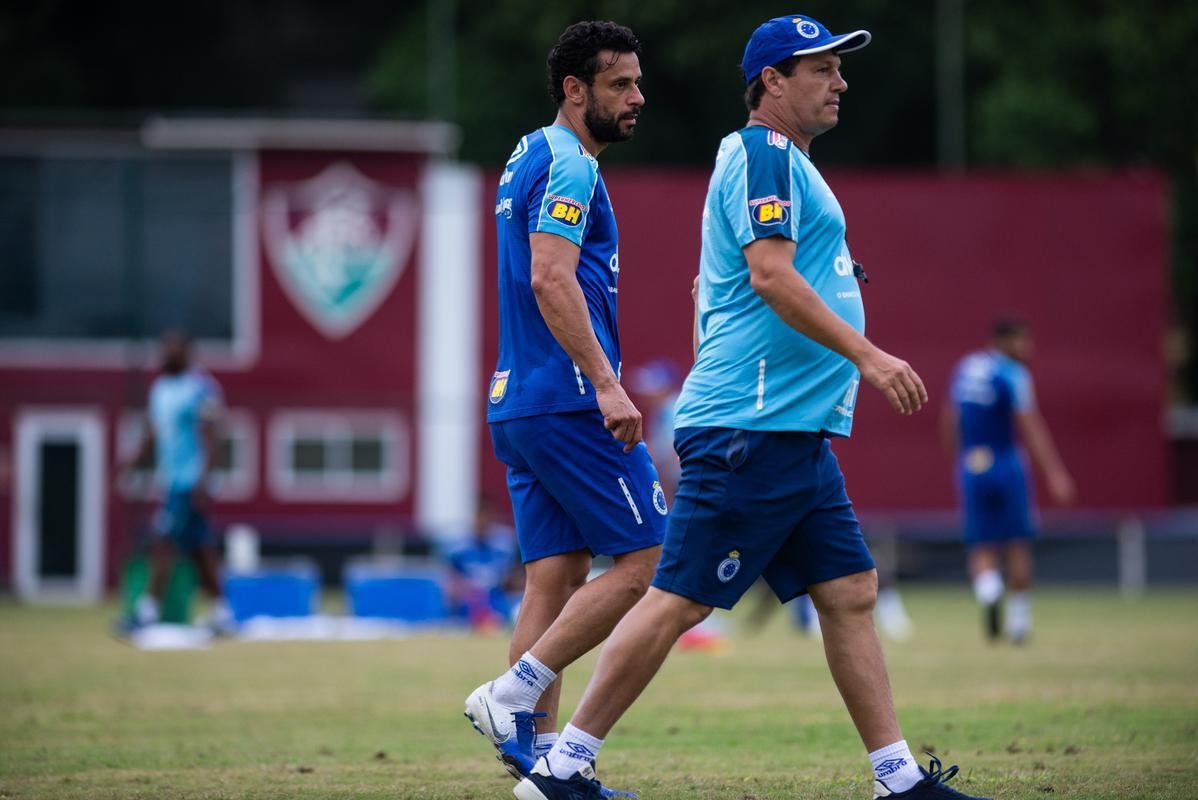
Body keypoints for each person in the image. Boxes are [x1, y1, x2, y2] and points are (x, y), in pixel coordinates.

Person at [515, 15, 990, 800]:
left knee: (850, 591)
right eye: (822, 69)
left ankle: (897, 778)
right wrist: (868, 355)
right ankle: (559, 766)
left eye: (839, 68)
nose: (840, 82)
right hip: (752, 426)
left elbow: (731, 284)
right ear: (772, 80)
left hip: (792, 430)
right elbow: (769, 274)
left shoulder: (787, 162)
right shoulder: (763, 152)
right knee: (677, 600)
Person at [463, 20, 664, 791]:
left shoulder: (526, 153)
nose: (637, 97)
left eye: (638, 82)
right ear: (575, 91)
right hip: (570, 401)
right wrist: (608, 383)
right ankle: (510, 695)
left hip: (518, 400)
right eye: (621, 84)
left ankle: (543, 768)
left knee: (555, 577)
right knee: (649, 562)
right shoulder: (572, 164)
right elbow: (550, 276)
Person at [942, 317, 1075, 643]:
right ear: (1002, 340)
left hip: (972, 464)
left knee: (980, 541)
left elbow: (950, 420)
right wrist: (1055, 473)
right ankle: (1019, 622)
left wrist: (959, 461)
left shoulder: (966, 368)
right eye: (1021, 341)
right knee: (1018, 541)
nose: (1027, 348)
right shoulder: (1013, 374)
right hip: (1006, 463)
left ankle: (989, 590)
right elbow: (1031, 425)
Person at [117, 330, 233, 633]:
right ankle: (221, 613)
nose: (167, 353)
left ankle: (147, 612)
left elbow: (212, 435)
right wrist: (129, 466)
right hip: (171, 481)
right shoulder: (159, 389)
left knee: (163, 541)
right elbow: (153, 435)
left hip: (190, 482)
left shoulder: (201, 387)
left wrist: (203, 480)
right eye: (165, 348)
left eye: (174, 348)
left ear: (187, 353)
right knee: (199, 548)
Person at [445, 499, 522, 631]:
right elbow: (452, 581)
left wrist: (508, 583)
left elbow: (518, 576)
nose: (482, 522)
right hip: (468, 601)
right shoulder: (457, 547)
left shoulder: (507, 543)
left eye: (486, 517)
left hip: (499, 597)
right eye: (479, 518)